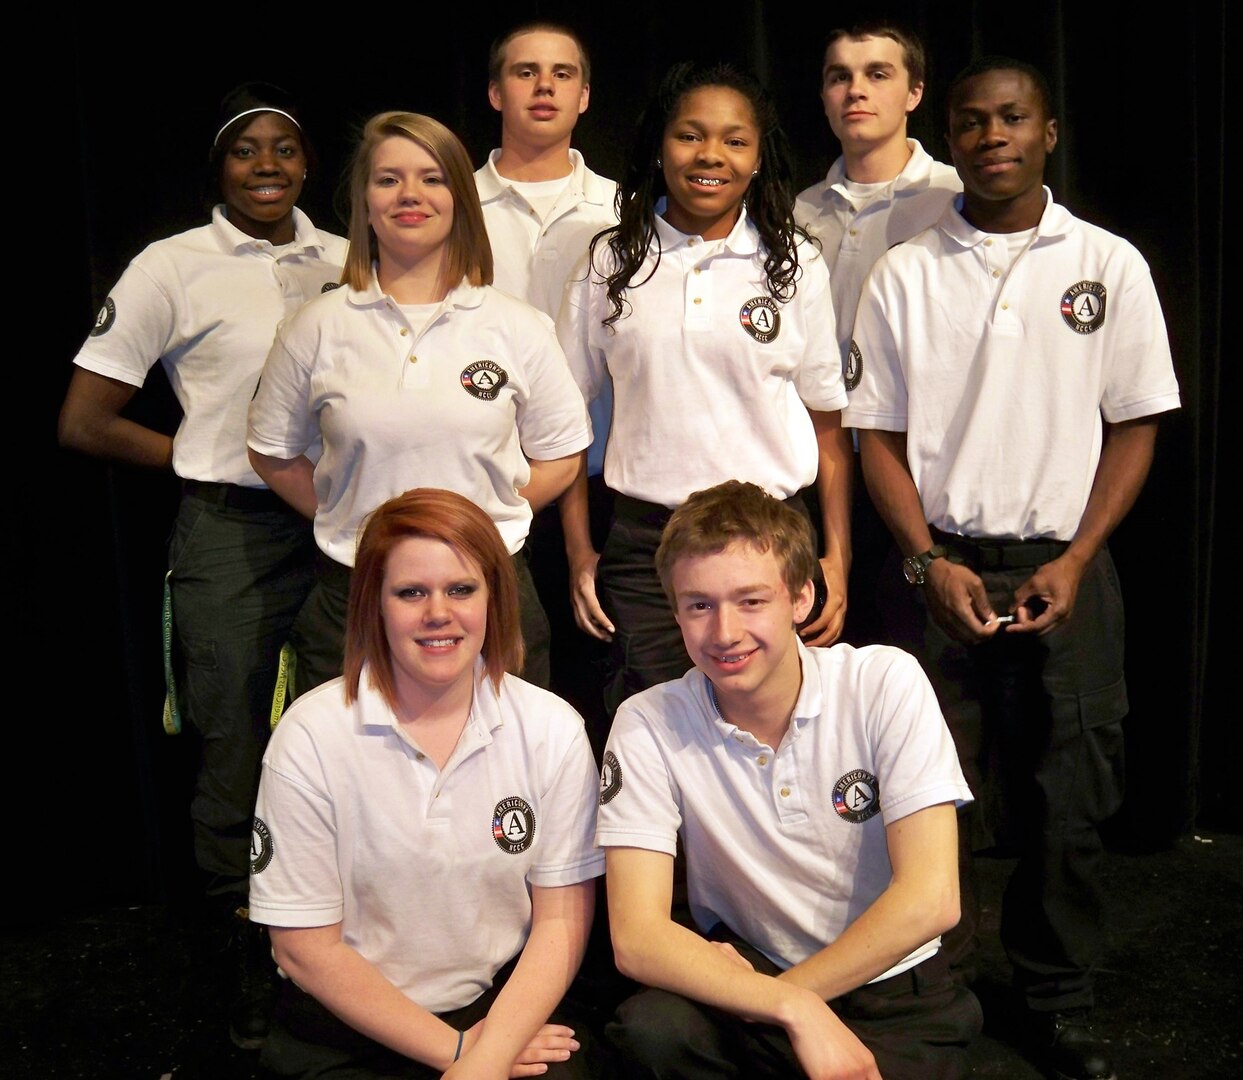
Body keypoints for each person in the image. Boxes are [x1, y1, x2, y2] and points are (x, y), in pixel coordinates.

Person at [846, 57, 1181, 1080]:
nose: (992, 135)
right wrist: (923, 562)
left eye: (1012, 118)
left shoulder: (1107, 264)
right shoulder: (905, 268)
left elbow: (1134, 424)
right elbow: (875, 438)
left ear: (1047, 132)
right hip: (938, 565)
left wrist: (1079, 556)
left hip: (1063, 565)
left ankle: (1053, 998)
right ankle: (928, 987)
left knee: (1066, 787)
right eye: (970, 121)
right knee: (921, 790)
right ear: (948, 135)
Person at [57, 82, 348, 1049]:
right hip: (229, 528)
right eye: (244, 151)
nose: (266, 166)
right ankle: (238, 921)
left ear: (310, 165)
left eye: (285, 149)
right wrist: (194, 456)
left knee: (348, 717)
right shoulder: (171, 265)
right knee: (232, 722)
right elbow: (84, 421)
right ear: (217, 169)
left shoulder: (350, 262)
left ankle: (346, 912)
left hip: (341, 525)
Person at [596, 480, 980, 1080]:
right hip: (755, 978)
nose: (724, 632)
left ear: (801, 598)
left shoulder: (883, 681)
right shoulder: (646, 721)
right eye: (699, 605)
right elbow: (637, 937)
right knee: (652, 1031)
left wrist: (795, 1000)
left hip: (892, 989)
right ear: (674, 612)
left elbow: (932, 899)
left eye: (751, 601)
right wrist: (789, 1006)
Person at [249, 488, 603, 1079]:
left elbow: (561, 922)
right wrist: (465, 1060)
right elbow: (304, 949)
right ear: (374, 604)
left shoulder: (551, 729)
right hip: (347, 1026)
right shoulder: (309, 736)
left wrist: (487, 1051)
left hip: (499, 1013)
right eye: (411, 592)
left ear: (494, 599)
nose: (438, 612)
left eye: (461, 589)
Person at [247, 112, 590, 695]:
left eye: (432, 178)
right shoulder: (315, 327)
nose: (410, 195)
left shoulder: (518, 326)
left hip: (491, 587)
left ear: (459, 195)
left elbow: (562, 454)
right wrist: (362, 521)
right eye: (388, 179)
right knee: (353, 777)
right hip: (357, 593)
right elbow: (272, 453)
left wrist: (473, 524)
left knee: (509, 773)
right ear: (364, 200)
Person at [557, 62, 851, 715]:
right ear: (660, 146)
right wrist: (581, 552)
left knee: (773, 732)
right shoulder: (611, 260)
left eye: (733, 140)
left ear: (756, 157)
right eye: (690, 136)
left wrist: (837, 558)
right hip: (645, 549)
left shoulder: (793, 262)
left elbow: (828, 427)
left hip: (770, 542)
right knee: (659, 735)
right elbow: (565, 425)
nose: (710, 155)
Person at [794, 23, 961, 645]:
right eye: (840, 76)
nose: (855, 90)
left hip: (917, 470)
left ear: (915, 92)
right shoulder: (796, 211)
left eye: (878, 74)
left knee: (916, 662)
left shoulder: (955, 199)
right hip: (821, 471)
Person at [475, 21, 619, 735]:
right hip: (485, 481)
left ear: (585, 96)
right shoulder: (449, 207)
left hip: (599, 484)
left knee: (604, 688)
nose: (543, 86)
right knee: (502, 699)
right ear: (495, 91)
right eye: (525, 71)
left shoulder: (627, 211)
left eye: (562, 73)